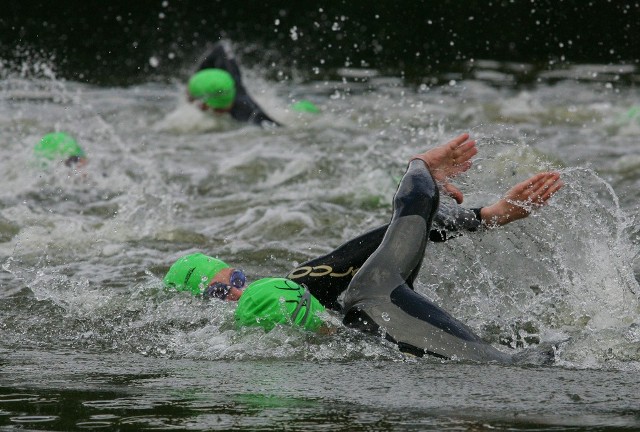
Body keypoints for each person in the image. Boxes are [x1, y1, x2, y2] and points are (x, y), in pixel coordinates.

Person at [163, 133, 563, 362]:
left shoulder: (334, 324)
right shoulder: (369, 297)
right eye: (220, 292)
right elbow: (409, 216)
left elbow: (373, 244)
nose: (237, 290)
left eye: (236, 278)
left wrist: (485, 215)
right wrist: (421, 165)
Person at [188, 40, 281, 127]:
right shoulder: (227, 71)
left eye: (219, 110)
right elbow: (221, 47)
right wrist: (198, 73)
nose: (218, 113)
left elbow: (272, 126)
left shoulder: (245, 109)